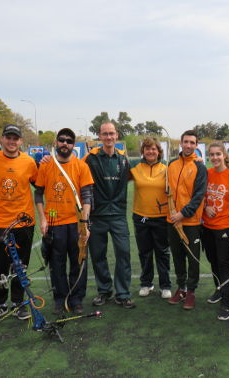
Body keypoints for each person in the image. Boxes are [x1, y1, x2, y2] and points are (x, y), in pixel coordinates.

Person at [0, 124, 38, 323]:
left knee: (20, 267)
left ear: (21, 141)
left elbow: (39, 185)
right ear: (2, 139)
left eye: (15, 138)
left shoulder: (29, 162)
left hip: (24, 224)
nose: (12, 141)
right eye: (8, 137)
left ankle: (18, 303)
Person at [35, 128, 93, 315]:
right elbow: (38, 193)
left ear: (73, 145)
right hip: (54, 223)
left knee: (78, 262)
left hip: (75, 223)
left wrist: (84, 222)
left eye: (69, 141)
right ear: (56, 142)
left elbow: (87, 196)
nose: (65, 143)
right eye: (62, 140)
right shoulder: (46, 165)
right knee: (56, 264)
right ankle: (60, 299)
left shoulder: (81, 166)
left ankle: (76, 299)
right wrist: (43, 218)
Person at [85, 122, 135, 309]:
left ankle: (123, 293)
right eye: (105, 134)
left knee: (123, 253)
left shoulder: (124, 159)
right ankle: (104, 290)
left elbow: (133, 175)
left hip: (118, 215)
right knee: (98, 255)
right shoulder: (89, 159)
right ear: (99, 136)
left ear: (117, 135)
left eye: (111, 133)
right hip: (97, 215)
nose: (108, 137)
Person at [167, 130, 207, 310]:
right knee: (177, 257)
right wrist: (173, 215)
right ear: (181, 143)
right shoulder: (171, 165)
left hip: (190, 222)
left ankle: (191, 291)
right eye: (186, 142)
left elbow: (199, 196)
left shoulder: (200, 167)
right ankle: (181, 288)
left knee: (193, 259)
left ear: (196, 145)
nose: (189, 145)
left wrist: (183, 213)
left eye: (192, 142)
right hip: (172, 221)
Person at [202, 142, 229, 320]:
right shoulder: (207, 173)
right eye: (212, 155)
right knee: (213, 261)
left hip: (225, 227)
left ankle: (226, 301)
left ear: (224, 154)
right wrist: (205, 207)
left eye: (218, 154)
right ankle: (219, 289)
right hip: (207, 227)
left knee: (224, 263)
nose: (215, 158)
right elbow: (201, 196)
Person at [130, 137, 172, 299]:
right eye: (147, 149)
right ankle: (146, 283)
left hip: (162, 218)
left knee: (162, 252)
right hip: (141, 217)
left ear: (159, 151)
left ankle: (165, 285)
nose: (150, 151)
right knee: (145, 252)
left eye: (154, 149)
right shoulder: (135, 168)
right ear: (143, 151)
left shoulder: (167, 169)